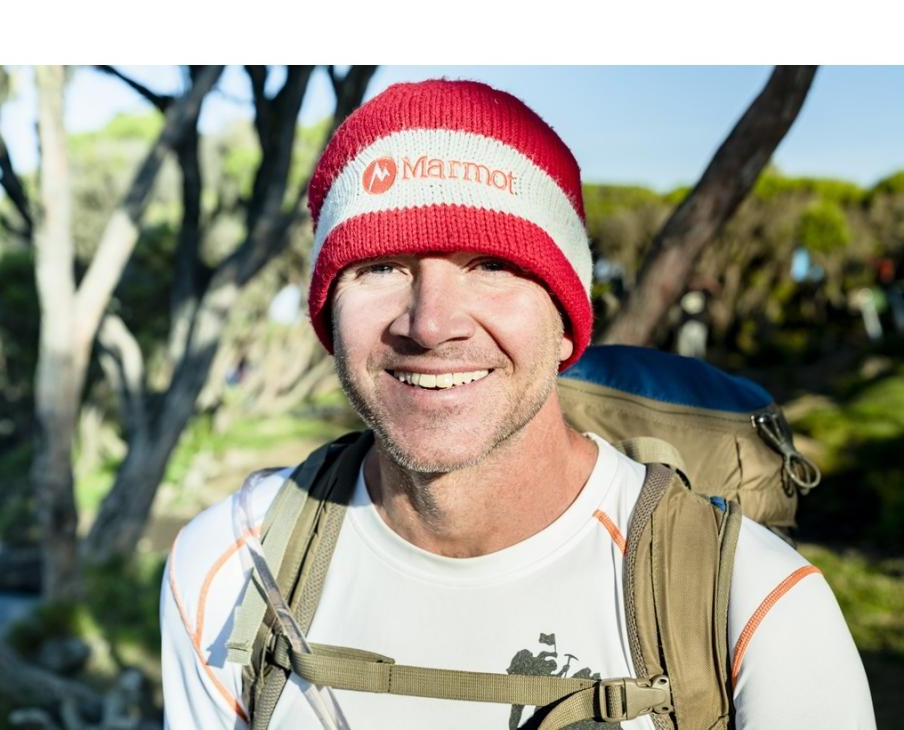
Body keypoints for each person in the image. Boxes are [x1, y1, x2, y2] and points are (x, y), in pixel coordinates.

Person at [161, 79, 876, 729]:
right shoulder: (230, 566)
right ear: (328, 314)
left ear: (567, 321)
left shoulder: (754, 607)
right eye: (381, 266)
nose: (431, 323)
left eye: (492, 266)